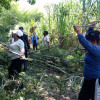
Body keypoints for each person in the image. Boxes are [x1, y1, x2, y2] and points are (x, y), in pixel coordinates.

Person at [73, 25, 100, 100]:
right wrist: (91, 28)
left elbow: (84, 42)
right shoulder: (92, 49)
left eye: (89, 41)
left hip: (95, 81)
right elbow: (86, 39)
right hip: (88, 80)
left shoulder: (97, 50)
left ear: (94, 41)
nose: (88, 42)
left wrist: (78, 31)